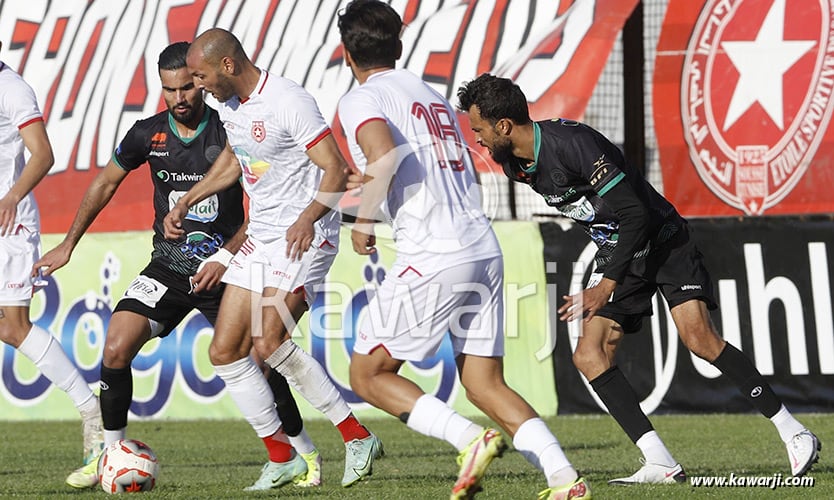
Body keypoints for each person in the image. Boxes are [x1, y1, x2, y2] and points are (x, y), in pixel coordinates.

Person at [456, 73, 822, 484]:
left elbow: (635, 214)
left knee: (699, 340)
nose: (478, 139)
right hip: (622, 253)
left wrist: (606, 284)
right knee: (590, 355)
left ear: (504, 125)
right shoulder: (514, 166)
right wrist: (611, 268)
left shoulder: (575, 145)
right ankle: (660, 461)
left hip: (662, 239)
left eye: (479, 129)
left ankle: (794, 432)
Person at [34, 42, 320, 489]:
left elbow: (263, 205)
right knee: (115, 346)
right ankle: (110, 454)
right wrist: (69, 243)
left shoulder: (231, 128)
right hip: (168, 268)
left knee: (261, 361)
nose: (180, 97)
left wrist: (229, 253)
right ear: (161, 88)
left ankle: (304, 454)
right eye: (170, 90)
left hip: (226, 269)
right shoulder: (147, 134)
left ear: (201, 82)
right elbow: (106, 182)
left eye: (188, 86)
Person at [336, 3, 590, 500]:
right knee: (483, 382)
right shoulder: (426, 93)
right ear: (400, 46)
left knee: (368, 374)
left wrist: (364, 218)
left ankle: (469, 439)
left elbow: (383, 154)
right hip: (479, 242)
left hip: (434, 251)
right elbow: (445, 168)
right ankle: (564, 477)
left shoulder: (361, 98)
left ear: (346, 54)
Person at [162, 28, 382, 491]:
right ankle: (283, 457)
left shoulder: (288, 100)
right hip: (260, 238)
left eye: (200, 76)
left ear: (227, 66)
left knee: (269, 340)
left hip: (306, 236)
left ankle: (356, 435)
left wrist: (307, 217)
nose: (197, 86)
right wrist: (188, 199)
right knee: (224, 351)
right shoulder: (230, 104)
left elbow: (336, 168)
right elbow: (235, 158)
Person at [0, 41, 103, 482]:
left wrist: (12, 196)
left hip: (9, 222)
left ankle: (91, 412)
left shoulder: (12, 88)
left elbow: (42, 153)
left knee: (12, 325)